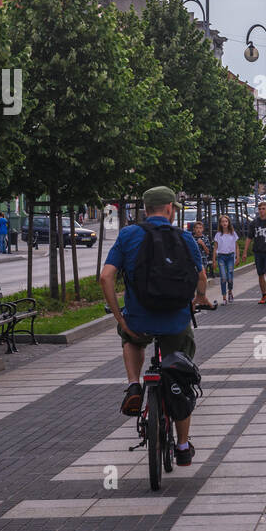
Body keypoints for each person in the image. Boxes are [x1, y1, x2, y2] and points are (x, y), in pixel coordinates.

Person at [99, 185, 204, 466]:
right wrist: (199, 299)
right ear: (169, 209)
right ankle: (182, 446)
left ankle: (134, 385)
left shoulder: (128, 235)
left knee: (131, 338)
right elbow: (202, 278)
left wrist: (119, 317)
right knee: (181, 382)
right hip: (176, 321)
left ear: (146, 210)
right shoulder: (185, 237)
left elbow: (105, 277)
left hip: (139, 319)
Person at [189, 220, 217, 311]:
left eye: (200, 228)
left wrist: (202, 244)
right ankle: (197, 302)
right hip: (193, 263)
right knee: (195, 281)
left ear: (203, 229)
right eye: (196, 228)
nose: (198, 230)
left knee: (202, 281)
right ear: (194, 229)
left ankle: (200, 301)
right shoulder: (191, 238)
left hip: (202, 262)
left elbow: (208, 251)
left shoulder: (205, 238)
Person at [213, 214, 239, 303]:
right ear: (220, 223)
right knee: (223, 277)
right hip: (221, 257)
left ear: (228, 223)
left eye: (226, 221)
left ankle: (230, 292)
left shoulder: (233, 234)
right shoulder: (218, 235)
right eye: (222, 222)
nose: (224, 223)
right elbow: (215, 248)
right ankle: (224, 297)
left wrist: (237, 257)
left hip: (230, 256)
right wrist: (214, 260)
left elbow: (236, 246)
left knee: (230, 277)